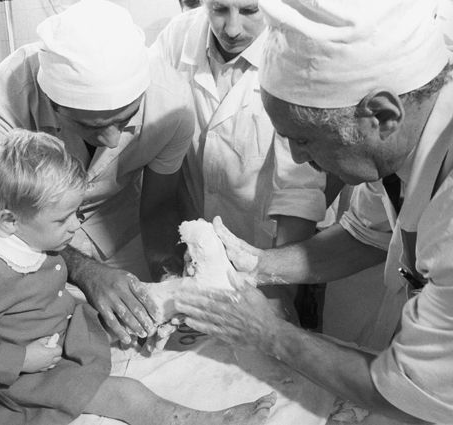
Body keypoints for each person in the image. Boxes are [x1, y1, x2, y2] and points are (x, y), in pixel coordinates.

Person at [175, 0, 453, 422]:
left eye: (304, 139)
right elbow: (365, 235)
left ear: (382, 115)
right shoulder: (398, 146)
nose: (298, 158)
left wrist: (269, 334)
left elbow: (410, 386)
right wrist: (261, 264)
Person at [0, 129, 277, 425]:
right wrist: (22, 359)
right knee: (126, 394)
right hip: (31, 374)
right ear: (9, 220)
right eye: (62, 220)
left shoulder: (30, 238)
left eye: (75, 213)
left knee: (131, 314)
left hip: (63, 327)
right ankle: (204, 420)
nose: (75, 225)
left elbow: (42, 295)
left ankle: (179, 298)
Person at [0, 0, 195, 344]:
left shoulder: (173, 105)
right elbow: (9, 219)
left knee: (129, 331)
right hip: (27, 236)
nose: (112, 140)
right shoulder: (7, 98)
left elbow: (158, 207)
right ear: (52, 104)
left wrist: (168, 279)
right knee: (43, 338)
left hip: (116, 226)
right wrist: (84, 270)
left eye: (126, 120)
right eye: (90, 126)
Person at [151, 0, 325, 318]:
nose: (231, 29)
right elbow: (153, 146)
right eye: (219, 9)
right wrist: (169, 269)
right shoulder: (177, 37)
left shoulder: (298, 54)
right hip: (188, 245)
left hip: (266, 248)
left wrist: (279, 294)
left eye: (248, 10)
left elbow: (298, 193)